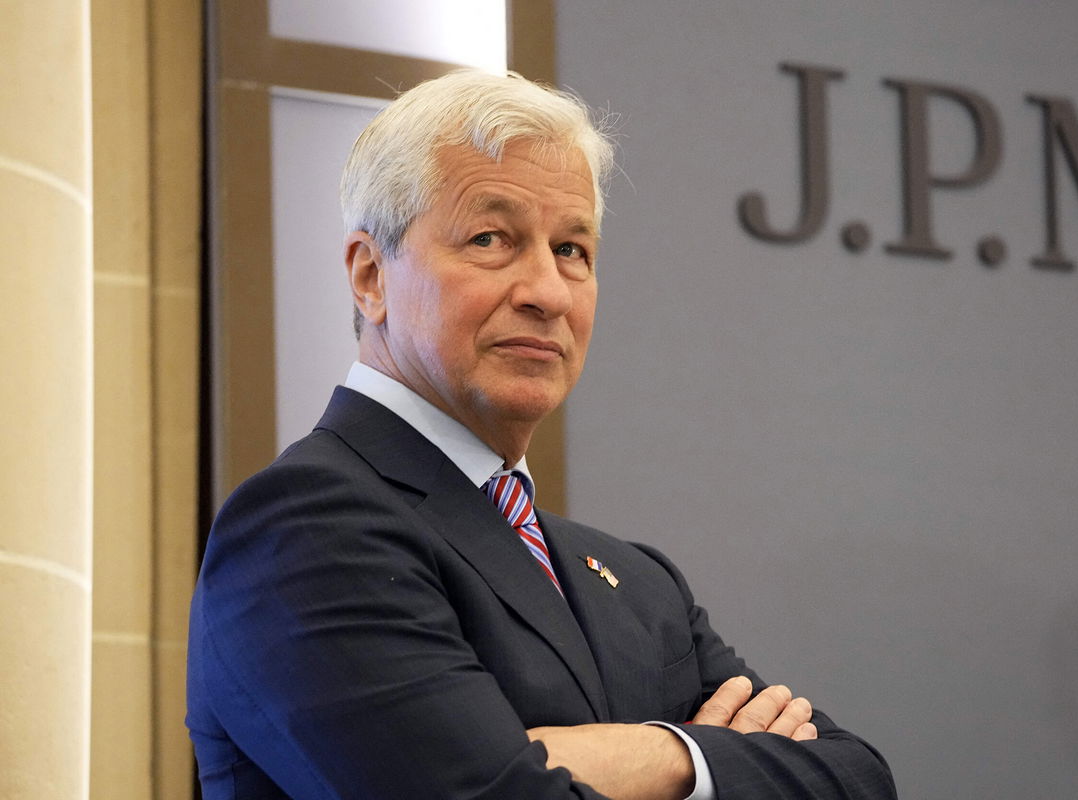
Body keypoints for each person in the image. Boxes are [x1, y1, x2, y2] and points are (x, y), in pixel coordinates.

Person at [186, 69, 896, 800]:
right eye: (491, 238)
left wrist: (666, 754)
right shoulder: (307, 525)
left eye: (571, 250)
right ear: (371, 276)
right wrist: (714, 759)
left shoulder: (640, 587)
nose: (548, 292)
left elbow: (858, 779)